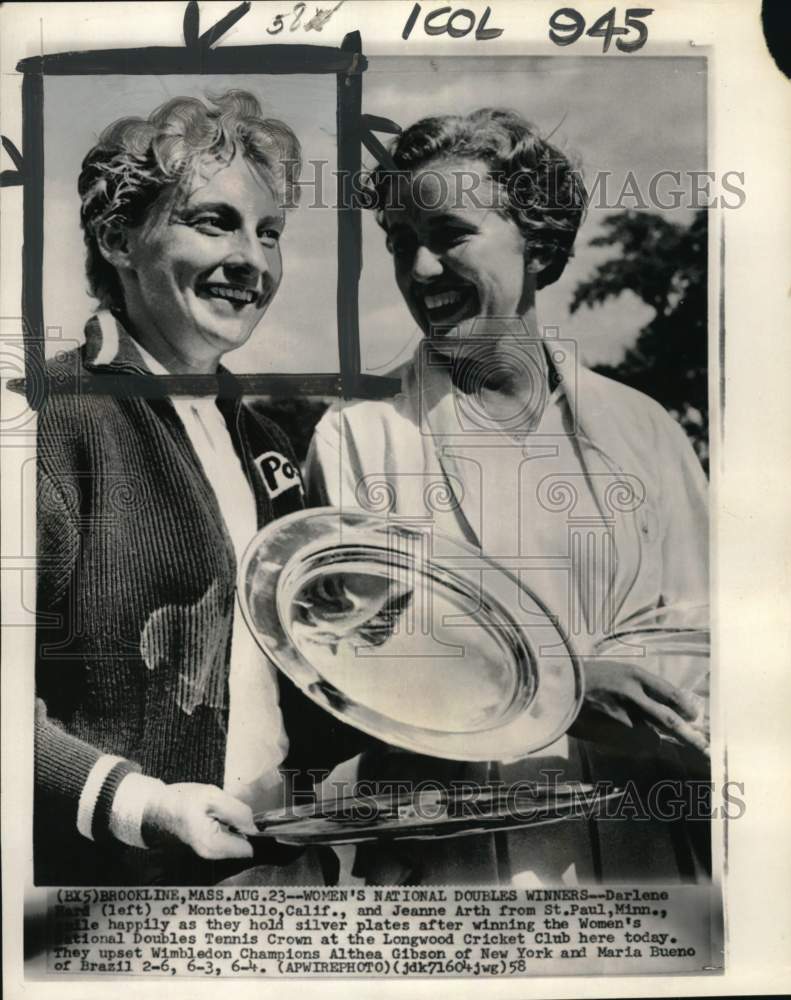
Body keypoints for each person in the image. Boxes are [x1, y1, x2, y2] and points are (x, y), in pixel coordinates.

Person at [306, 108, 710, 884]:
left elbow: (704, 648)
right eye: (399, 242)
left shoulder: (645, 430)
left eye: (449, 234)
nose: (419, 270)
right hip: (447, 882)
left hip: (642, 869)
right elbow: (359, 668)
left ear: (540, 244)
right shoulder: (358, 435)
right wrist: (561, 690)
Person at [35, 91, 365, 886]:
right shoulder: (51, 421)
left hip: (289, 884)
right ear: (117, 238)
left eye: (270, 232)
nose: (253, 260)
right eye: (214, 221)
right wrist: (140, 804)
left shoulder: (263, 440)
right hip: (121, 909)